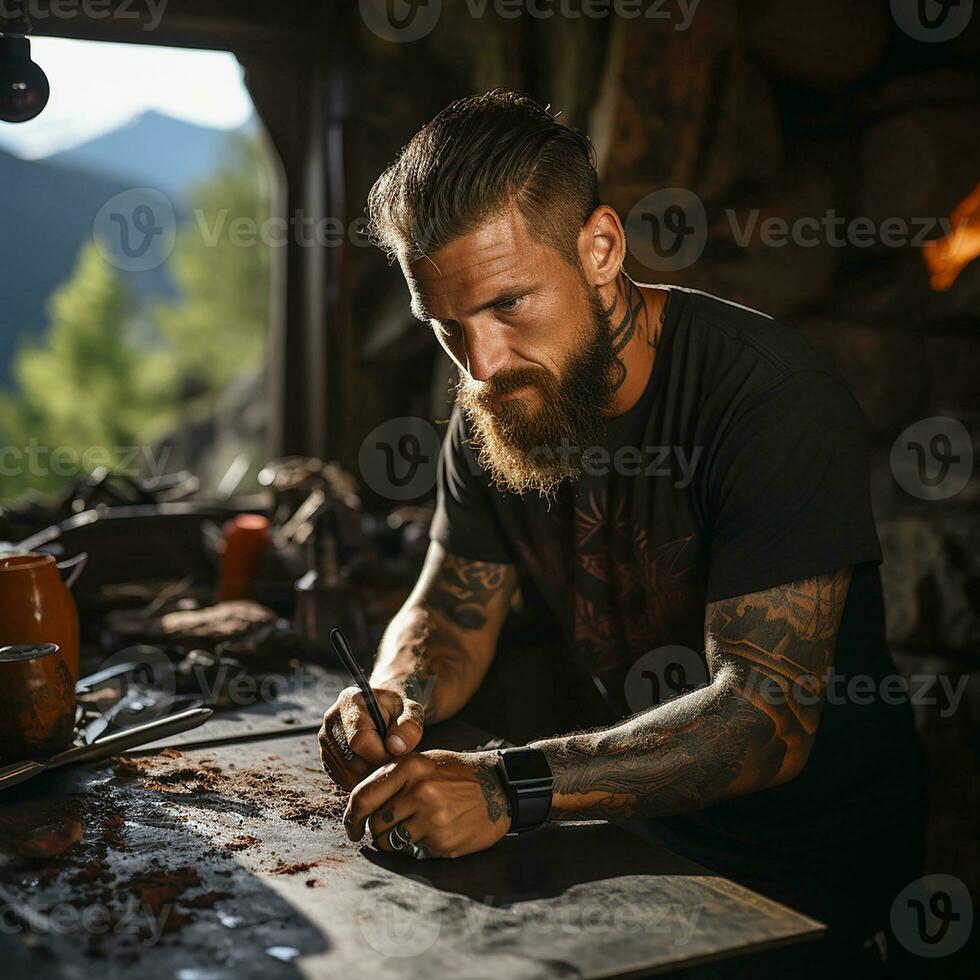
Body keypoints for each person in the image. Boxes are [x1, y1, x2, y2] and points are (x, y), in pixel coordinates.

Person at [317, 90, 926, 968]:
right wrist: (396, 697)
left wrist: (503, 784)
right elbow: (448, 609)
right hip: (632, 841)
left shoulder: (771, 399)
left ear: (601, 249)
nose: (482, 363)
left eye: (508, 305)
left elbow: (764, 718)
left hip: (813, 874)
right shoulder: (496, 404)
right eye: (447, 327)